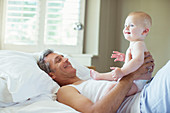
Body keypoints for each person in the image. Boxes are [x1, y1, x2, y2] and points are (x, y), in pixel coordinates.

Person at [38, 49, 160, 113]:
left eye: (63, 56)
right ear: (51, 75)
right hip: (142, 103)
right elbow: (95, 112)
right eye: (58, 60)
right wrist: (131, 76)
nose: (65, 59)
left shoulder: (93, 79)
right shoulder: (65, 91)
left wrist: (143, 69)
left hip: (148, 88)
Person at [90, 11, 152, 81]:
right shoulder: (135, 44)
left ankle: (100, 76)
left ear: (144, 31)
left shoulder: (138, 44)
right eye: (125, 25)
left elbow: (138, 61)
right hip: (136, 80)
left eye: (131, 25)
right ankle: (100, 76)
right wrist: (125, 58)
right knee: (115, 77)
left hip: (138, 81)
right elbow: (136, 60)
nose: (126, 28)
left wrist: (122, 72)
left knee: (115, 76)